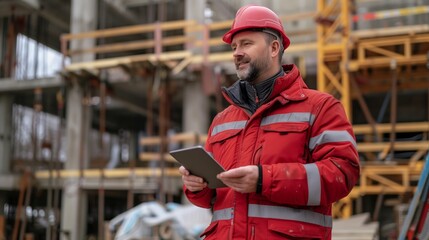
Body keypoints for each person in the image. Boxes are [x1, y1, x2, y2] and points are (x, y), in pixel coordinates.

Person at [179, 5, 360, 240]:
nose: (236, 52)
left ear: (274, 48)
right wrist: (196, 186)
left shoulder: (320, 108)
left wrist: (265, 179)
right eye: (234, 46)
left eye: (246, 44)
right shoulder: (223, 120)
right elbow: (213, 198)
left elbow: (341, 174)